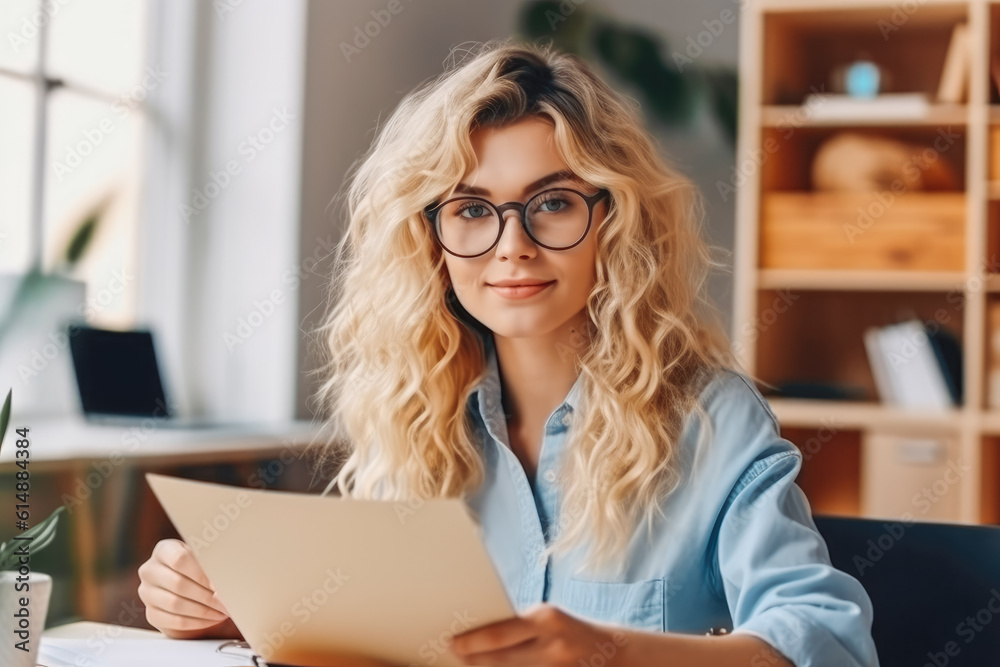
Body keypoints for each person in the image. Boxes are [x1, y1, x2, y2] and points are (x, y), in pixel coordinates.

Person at [138, 39, 879, 666]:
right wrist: (237, 610)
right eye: (471, 209)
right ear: (431, 238)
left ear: (612, 221)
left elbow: (831, 642)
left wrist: (611, 652)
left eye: (552, 202)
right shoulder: (413, 418)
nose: (512, 245)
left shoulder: (712, 418)